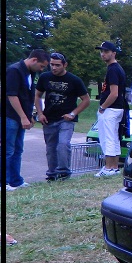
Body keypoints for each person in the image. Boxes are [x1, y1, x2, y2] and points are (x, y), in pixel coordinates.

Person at [34, 52, 91, 181]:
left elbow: (86, 100)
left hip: (65, 119)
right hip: (48, 118)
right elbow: (37, 95)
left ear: (65, 65)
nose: (54, 68)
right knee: (51, 148)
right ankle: (52, 174)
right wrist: (40, 113)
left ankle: (64, 173)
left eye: (57, 65)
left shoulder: (74, 80)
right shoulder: (45, 77)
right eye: (52, 65)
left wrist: (73, 113)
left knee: (63, 145)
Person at [5, 49, 50, 191]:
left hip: (21, 117)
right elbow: (12, 95)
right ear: (34, 60)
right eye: (42, 66)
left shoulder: (30, 72)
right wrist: (23, 117)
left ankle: (16, 181)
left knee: (18, 150)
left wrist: (30, 115)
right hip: (10, 117)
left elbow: (28, 96)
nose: (42, 69)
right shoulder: (14, 70)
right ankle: (3, 183)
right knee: (8, 150)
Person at [94, 41, 127, 177]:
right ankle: (114, 167)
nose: (103, 54)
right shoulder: (116, 68)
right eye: (101, 51)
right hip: (117, 108)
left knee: (107, 138)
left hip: (112, 108)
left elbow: (114, 93)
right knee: (113, 138)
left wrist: (103, 107)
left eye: (106, 51)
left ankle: (108, 168)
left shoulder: (113, 69)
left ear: (113, 53)